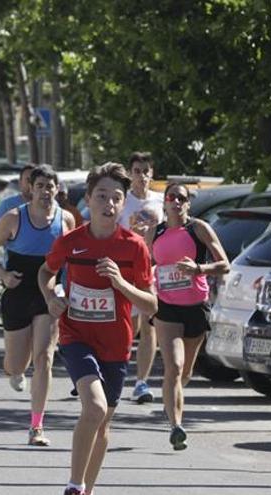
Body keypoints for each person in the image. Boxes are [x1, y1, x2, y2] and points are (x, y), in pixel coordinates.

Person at [38, 163, 156, 495]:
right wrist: (51, 297)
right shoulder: (72, 241)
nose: (109, 203)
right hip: (76, 335)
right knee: (95, 407)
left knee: (103, 423)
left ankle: (86, 489)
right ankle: (74, 486)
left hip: (116, 344)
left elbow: (150, 305)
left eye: (116, 197)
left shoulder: (134, 247)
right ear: (88, 200)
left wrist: (120, 282)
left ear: (123, 204)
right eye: (101, 196)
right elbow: (45, 273)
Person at [0, 165, 75, 446]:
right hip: (18, 289)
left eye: (50, 186)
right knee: (16, 364)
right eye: (40, 186)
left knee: (45, 357)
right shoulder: (14, 218)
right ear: (30, 190)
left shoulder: (66, 219)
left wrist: (68, 290)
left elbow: (71, 259)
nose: (46, 192)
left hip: (48, 293)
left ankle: (37, 426)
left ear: (57, 190)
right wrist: (3, 274)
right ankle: (14, 369)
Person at [147, 182, 230, 450]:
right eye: (171, 197)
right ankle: (176, 426)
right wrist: (146, 283)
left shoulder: (199, 229)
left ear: (188, 203)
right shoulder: (155, 232)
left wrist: (199, 269)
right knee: (173, 366)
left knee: (185, 373)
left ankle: (171, 399)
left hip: (195, 306)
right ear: (165, 202)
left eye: (181, 198)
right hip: (166, 307)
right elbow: (144, 265)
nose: (176, 202)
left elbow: (225, 264)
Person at [119, 152, 165, 404]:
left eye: (146, 170)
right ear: (130, 174)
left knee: (149, 327)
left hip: (153, 271)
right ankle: (115, 372)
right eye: (137, 170)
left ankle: (141, 382)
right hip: (127, 272)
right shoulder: (123, 202)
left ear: (152, 173)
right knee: (128, 329)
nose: (142, 175)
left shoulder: (160, 201)